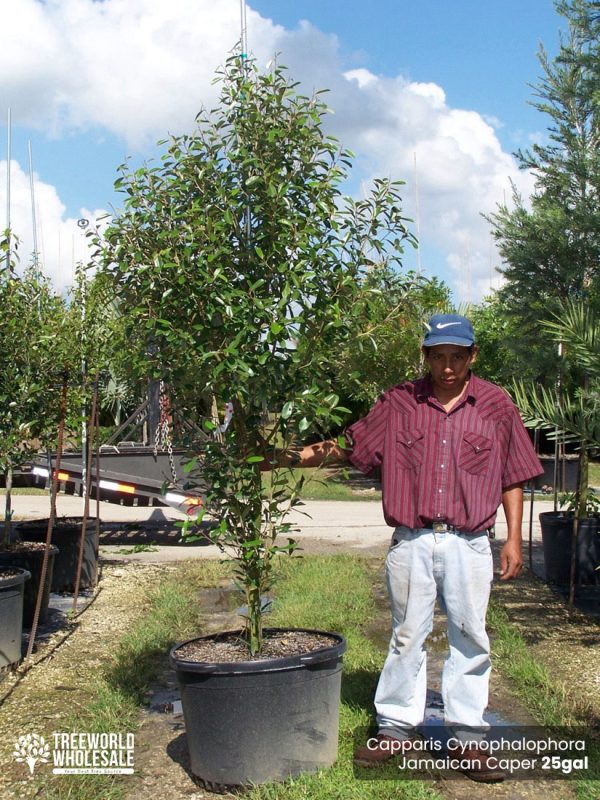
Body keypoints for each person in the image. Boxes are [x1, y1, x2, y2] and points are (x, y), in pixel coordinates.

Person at [273, 313, 543, 783]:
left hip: (470, 542)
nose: (448, 367)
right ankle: (396, 727)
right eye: (438, 357)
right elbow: (348, 444)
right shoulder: (399, 403)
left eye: (457, 356)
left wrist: (515, 538)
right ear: (426, 357)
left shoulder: (497, 406)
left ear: (472, 356)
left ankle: (468, 739)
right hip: (411, 541)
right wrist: (287, 457)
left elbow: (514, 475)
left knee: (470, 638)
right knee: (405, 635)